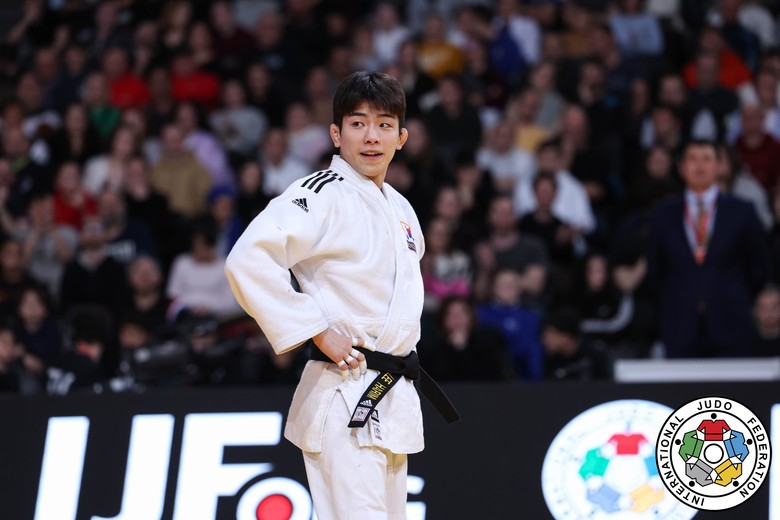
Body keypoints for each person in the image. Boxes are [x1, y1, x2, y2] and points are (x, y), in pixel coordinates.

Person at [226, 71, 456, 519]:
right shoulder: (318, 194)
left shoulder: (402, 208)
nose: (371, 137)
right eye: (358, 123)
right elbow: (247, 260)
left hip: (392, 395)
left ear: (402, 138)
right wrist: (315, 329)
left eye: (384, 125)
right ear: (336, 134)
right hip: (344, 391)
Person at [647, 139, 770, 358]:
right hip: (679, 323)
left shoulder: (742, 211)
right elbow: (656, 270)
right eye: (693, 159)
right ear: (682, 168)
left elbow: (759, 267)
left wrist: (735, 296)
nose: (700, 165)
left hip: (731, 321)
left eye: (707, 159)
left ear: (719, 166)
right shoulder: (663, 214)